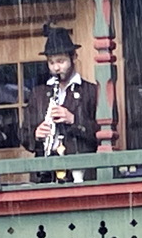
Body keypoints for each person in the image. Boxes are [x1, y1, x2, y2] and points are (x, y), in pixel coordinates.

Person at [22, 25, 99, 169]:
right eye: (51, 62)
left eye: (61, 61)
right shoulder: (38, 94)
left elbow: (101, 133)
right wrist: (35, 134)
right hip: (46, 170)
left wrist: (74, 120)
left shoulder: (91, 91)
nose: (56, 68)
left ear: (73, 57)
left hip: (80, 168)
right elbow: (23, 135)